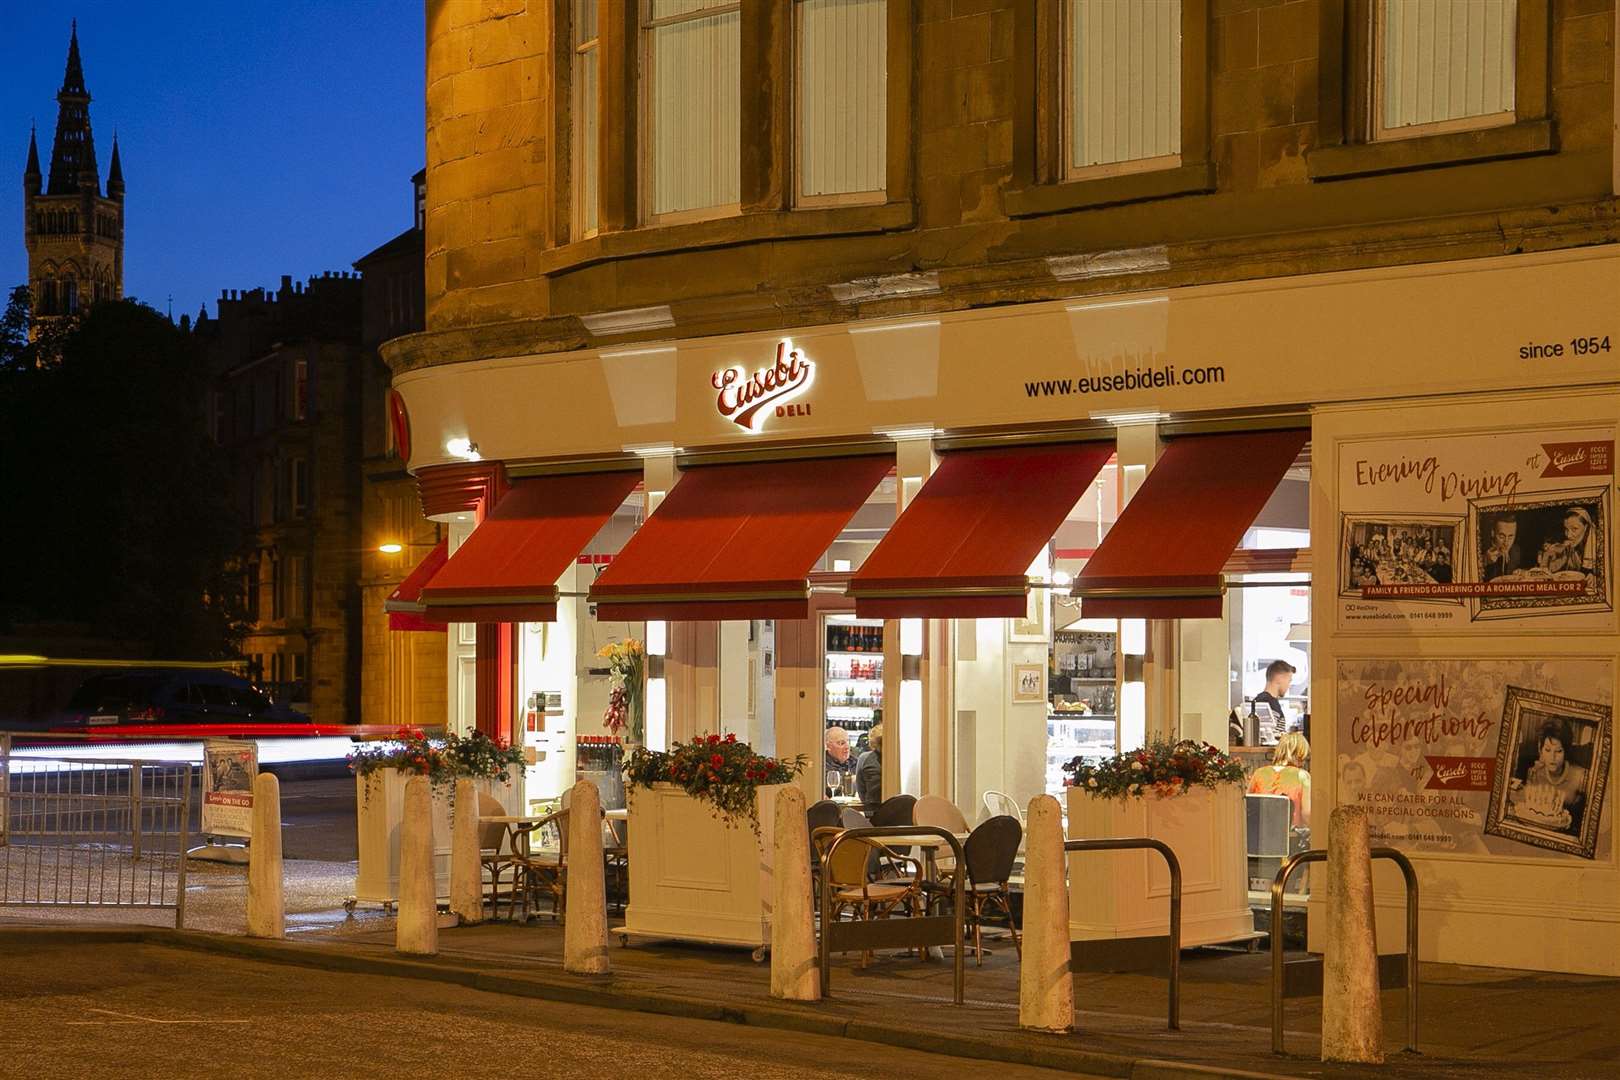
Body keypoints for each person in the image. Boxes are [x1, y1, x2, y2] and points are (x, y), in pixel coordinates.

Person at [1508, 718, 1588, 835]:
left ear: (1566, 752)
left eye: (1559, 751)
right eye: (1547, 750)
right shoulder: (1534, 773)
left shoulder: (1580, 776)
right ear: (1541, 750)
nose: (1552, 757)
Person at [1248, 733, 1311, 828]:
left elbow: (1246, 807)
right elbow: (1307, 813)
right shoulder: (1302, 776)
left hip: (1261, 835)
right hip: (1291, 837)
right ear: (1300, 754)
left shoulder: (1259, 773)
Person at [1537, 507, 1597, 579]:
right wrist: (1547, 554)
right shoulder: (1569, 547)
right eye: (1566, 529)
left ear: (1586, 527)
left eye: (1574, 529)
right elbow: (1549, 571)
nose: (1568, 535)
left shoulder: (1597, 546)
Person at [1251, 660, 1296, 744]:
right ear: (1280, 678)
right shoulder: (1266, 702)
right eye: (1289, 681)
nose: (1289, 686)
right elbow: (1269, 736)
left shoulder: (1263, 700)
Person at [1482, 515, 1522, 581]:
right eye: (1502, 536)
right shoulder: (1480, 546)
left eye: (1510, 537)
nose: (1506, 543)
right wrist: (1485, 560)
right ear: (1493, 533)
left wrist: (1519, 572)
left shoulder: (1516, 551)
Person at [856, 723, 884, 816]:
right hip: (884, 819)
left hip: (873, 817)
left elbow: (863, 795)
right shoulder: (899, 763)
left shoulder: (865, 758)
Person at [823, 726, 854, 795]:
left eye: (848, 742)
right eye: (841, 743)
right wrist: (852, 780)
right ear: (828, 746)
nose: (847, 747)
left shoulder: (855, 762)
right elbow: (829, 786)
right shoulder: (822, 764)